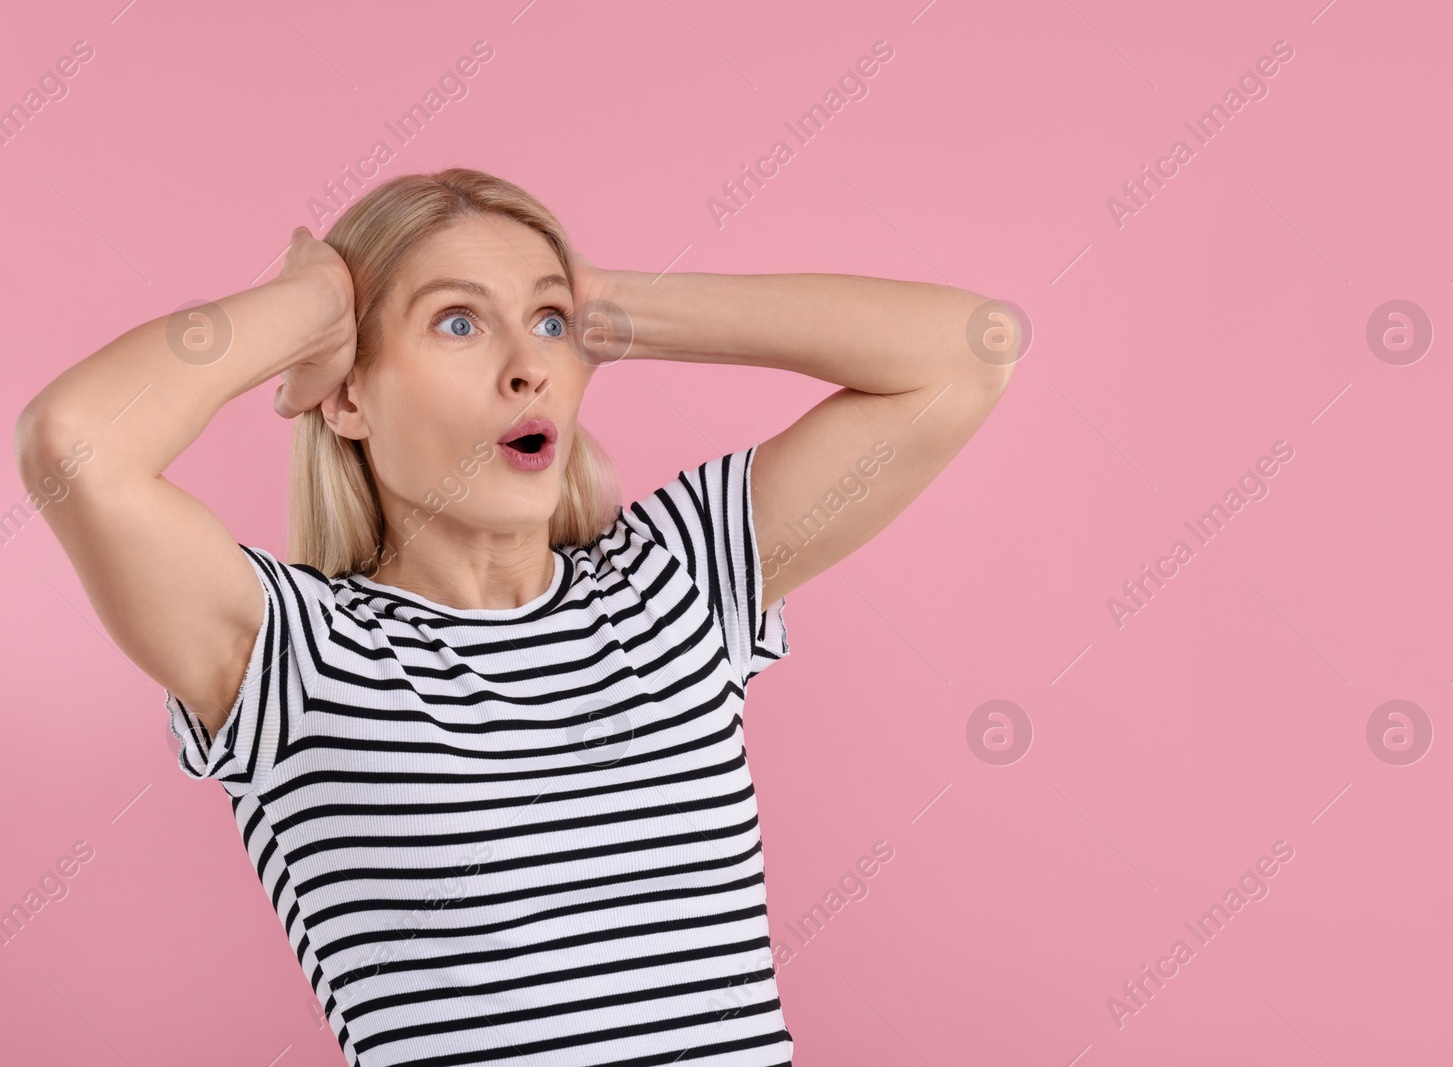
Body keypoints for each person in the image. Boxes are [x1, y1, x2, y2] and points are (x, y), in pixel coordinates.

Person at [12, 168, 1013, 1066]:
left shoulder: (676, 582)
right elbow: (74, 446)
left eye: (545, 324)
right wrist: (313, 301)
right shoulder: (296, 656)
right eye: (456, 322)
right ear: (351, 396)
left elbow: (972, 350)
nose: (527, 366)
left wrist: (615, 308)